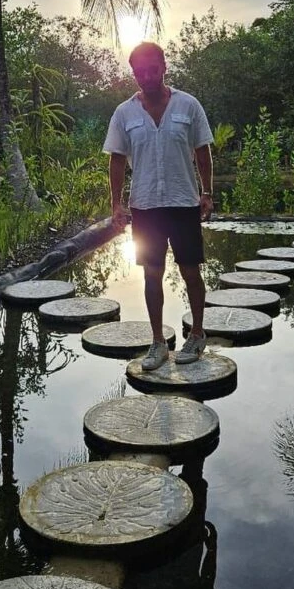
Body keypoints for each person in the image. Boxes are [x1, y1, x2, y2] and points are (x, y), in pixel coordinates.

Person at [104, 41, 214, 370]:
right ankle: (157, 343)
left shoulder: (188, 106)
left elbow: (202, 151)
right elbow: (117, 161)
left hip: (183, 202)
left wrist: (207, 192)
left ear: (164, 67)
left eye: (153, 69)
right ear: (134, 73)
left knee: (190, 270)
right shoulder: (124, 113)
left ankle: (197, 334)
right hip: (146, 206)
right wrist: (116, 204)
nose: (148, 76)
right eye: (141, 72)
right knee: (152, 274)